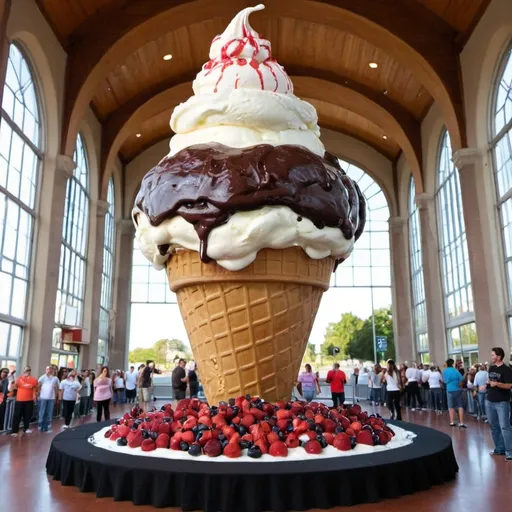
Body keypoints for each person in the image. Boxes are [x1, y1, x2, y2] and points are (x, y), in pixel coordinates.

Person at [486, 347, 512, 460]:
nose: (491, 357)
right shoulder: (491, 368)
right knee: (494, 426)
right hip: (489, 401)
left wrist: (497, 384)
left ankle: (509, 451)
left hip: (502, 402)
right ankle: (499, 448)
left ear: (499, 356)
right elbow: (490, 381)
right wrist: (487, 384)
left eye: (493, 355)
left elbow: (509, 385)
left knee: (505, 427)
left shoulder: (506, 370)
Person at [10, 366, 38, 437]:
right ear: (23, 371)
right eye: (25, 370)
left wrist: (34, 397)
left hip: (29, 400)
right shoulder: (18, 379)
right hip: (19, 400)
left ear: (30, 371)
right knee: (17, 416)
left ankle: (26, 428)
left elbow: (34, 390)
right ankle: (14, 431)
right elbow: (13, 388)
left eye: (28, 370)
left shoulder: (33, 380)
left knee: (27, 415)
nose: (27, 371)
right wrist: (12, 380)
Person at [443, 358, 466, 428]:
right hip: (457, 390)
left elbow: (445, 381)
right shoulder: (456, 371)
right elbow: (461, 379)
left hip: (449, 390)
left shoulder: (444, 371)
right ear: (453, 364)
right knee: (460, 406)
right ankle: (461, 423)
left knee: (450, 407)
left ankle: (452, 422)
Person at [37, 366, 59, 432]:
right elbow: (38, 386)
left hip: (51, 398)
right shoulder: (42, 377)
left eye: (50, 369)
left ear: (52, 370)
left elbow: (56, 388)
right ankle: (40, 426)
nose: (48, 370)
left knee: (49, 412)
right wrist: (38, 394)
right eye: (47, 369)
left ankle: (48, 427)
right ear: (45, 370)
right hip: (43, 398)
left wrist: (56, 397)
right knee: (42, 412)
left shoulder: (55, 378)